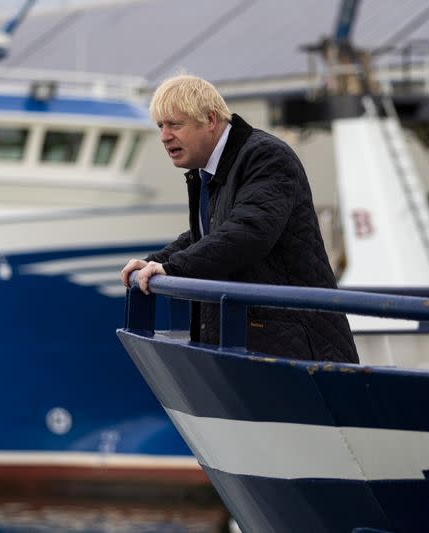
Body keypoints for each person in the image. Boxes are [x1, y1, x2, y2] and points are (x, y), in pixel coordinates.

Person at [120, 74, 358, 363]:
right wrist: (155, 261)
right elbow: (207, 234)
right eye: (161, 126)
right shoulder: (211, 168)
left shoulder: (266, 157)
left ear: (210, 120)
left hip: (296, 354)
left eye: (175, 124)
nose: (164, 136)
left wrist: (172, 269)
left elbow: (249, 233)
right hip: (257, 346)